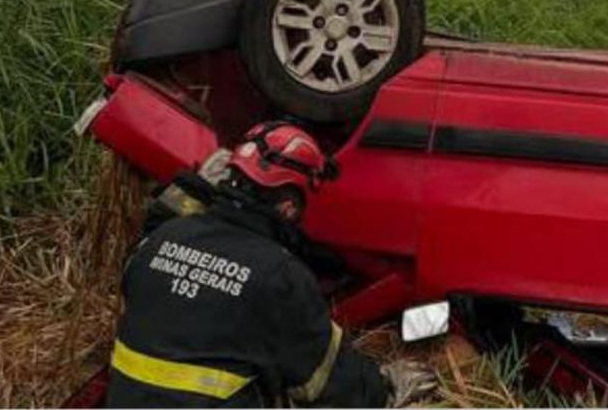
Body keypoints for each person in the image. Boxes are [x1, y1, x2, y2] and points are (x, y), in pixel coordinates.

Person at [106, 122, 433, 408]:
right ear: (289, 207)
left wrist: (192, 188)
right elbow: (324, 384)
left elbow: (138, 267)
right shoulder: (277, 276)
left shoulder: (160, 240)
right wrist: (383, 389)